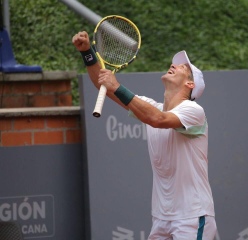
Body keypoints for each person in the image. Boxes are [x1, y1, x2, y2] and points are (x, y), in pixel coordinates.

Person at [72, 31, 217, 240]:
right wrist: (87, 51)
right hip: (161, 217)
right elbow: (103, 85)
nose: (175, 65)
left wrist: (118, 86)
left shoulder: (194, 112)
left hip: (192, 216)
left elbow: (158, 120)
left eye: (184, 68)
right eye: (176, 64)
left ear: (190, 85)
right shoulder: (150, 107)